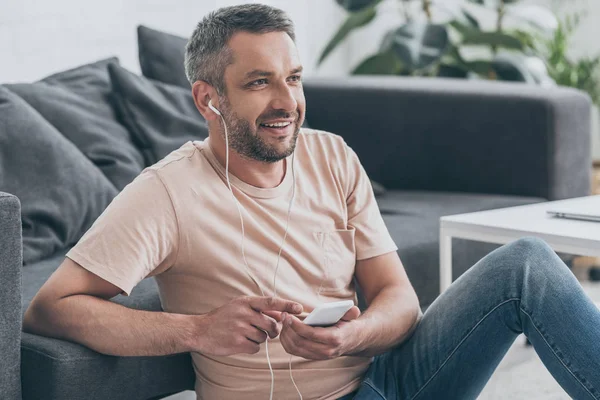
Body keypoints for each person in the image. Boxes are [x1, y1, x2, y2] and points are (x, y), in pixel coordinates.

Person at [23, 4, 600, 400]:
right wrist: (196, 331)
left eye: (293, 78)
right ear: (208, 98)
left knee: (525, 261)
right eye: (259, 82)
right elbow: (51, 307)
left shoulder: (332, 156)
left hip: (387, 378)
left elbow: (397, 301)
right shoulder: (167, 192)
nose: (287, 101)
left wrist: (351, 335)